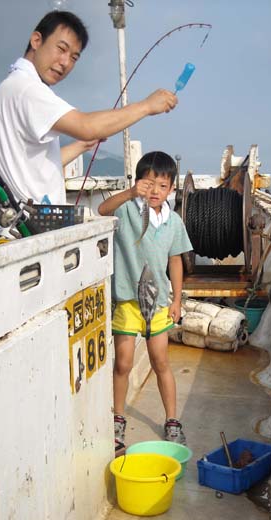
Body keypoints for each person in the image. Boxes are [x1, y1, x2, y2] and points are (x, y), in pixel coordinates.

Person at [0, 10, 178, 204]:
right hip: (27, 228)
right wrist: (146, 106)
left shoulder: (13, 85)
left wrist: (83, 145)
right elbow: (85, 126)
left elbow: (37, 164)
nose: (65, 62)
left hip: (23, 223)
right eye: (61, 49)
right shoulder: (27, 89)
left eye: (74, 57)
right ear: (36, 40)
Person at [98, 151, 192, 454]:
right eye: (148, 183)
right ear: (138, 183)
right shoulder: (126, 210)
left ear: (171, 190)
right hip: (127, 302)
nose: (154, 191)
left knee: (160, 361)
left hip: (159, 305)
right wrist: (128, 193)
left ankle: (172, 420)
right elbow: (101, 209)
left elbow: (176, 261)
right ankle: (118, 419)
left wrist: (176, 300)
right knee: (123, 363)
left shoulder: (174, 222)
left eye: (162, 186)